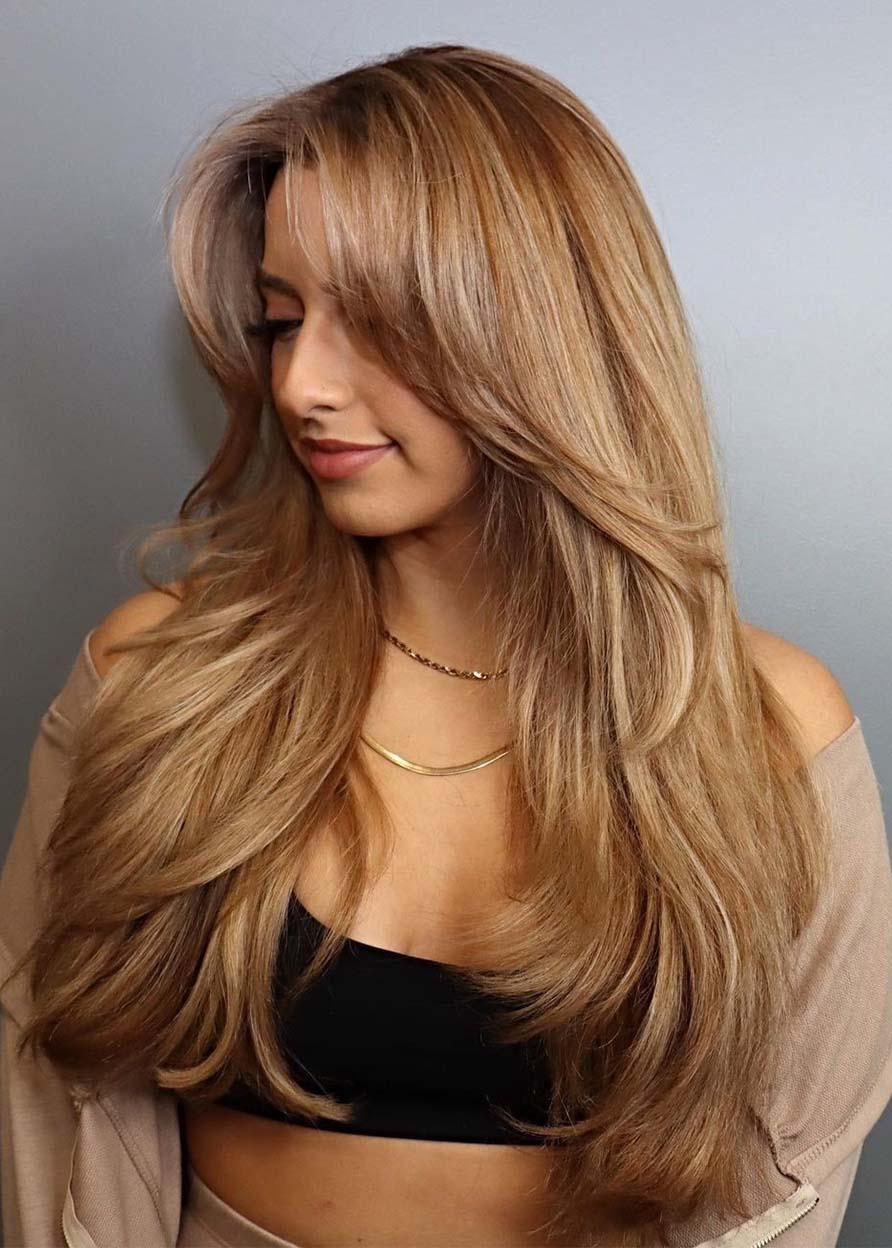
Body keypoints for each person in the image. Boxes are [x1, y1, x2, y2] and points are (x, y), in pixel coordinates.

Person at [2, 42, 891, 1248]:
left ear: (542, 332)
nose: (302, 385)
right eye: (280, 320)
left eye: (374, 321)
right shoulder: (158, 684)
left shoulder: (767, 731)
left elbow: (791, 1175)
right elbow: (51, 1092)